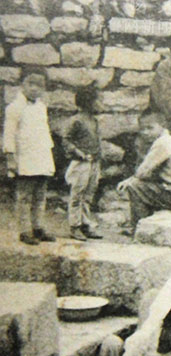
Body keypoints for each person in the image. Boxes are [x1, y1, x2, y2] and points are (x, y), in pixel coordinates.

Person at [117, 110, 171, 235]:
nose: (145, 132)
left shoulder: (162, 143)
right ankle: (144, 224)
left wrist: (129, 180)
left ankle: (138, 228)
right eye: (142, 129)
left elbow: (142, 172)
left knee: (134, 186)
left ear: (163, 126)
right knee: (147, 187)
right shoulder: (170, 140)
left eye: (150, 128)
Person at [3, 73, 56, 245]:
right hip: (25, 158)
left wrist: (48, 157)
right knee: (24, 196)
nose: (34, 88)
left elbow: (44, 133)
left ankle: (38, 227)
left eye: (39, 85)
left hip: (41, 157)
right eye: (30, 83)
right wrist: (10, 157)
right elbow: (9, 135)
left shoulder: (41, 107)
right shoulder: (14, 108)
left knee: (40, 195)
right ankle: (25, 231)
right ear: (22, 85)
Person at [63, 86, 103, 240]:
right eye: (98, 100)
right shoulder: (76, 120)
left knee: (88, 195)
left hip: (94, 162)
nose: (101, 104)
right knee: (77, 195)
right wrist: (78, 152)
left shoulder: (94, 120)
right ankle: (75, 226)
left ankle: (86, 224)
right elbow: (66, 139)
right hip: (81, 163)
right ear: (88, 102)